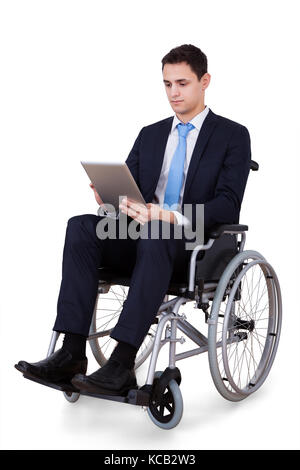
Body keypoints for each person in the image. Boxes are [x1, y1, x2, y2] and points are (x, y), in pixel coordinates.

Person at [15, 44, 251, 396]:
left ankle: (123, 361)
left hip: (195, 243)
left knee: (157, 229)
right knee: (81, 226)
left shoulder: (232, 135)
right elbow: (133, 195)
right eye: (167, 84)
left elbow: (227, 206)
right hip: (142, 235)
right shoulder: (151, 134)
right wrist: (111, 200)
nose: (173, 92)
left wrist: (166, 216)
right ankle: (72, 351)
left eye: (182, 83)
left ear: (205, 81)